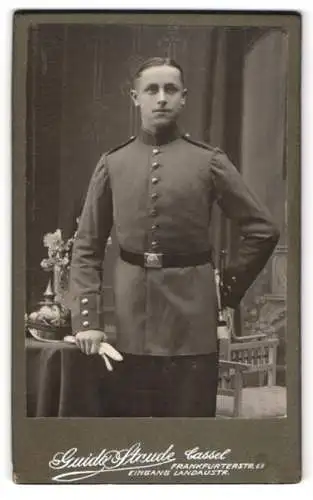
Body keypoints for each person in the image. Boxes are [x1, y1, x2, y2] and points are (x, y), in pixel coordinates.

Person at [69, 57, 279, 417]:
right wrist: (87, 323)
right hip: (130, 322)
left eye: (170, 89)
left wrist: (225, 292)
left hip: (192, 323)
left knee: (189, 429)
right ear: (135, 98)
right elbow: (86, 246)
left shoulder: (209, 162)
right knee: (134, 435)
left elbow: (263, 230)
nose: (161, 98)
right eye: (151, 90)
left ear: (184, 98)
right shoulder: (113, 164)